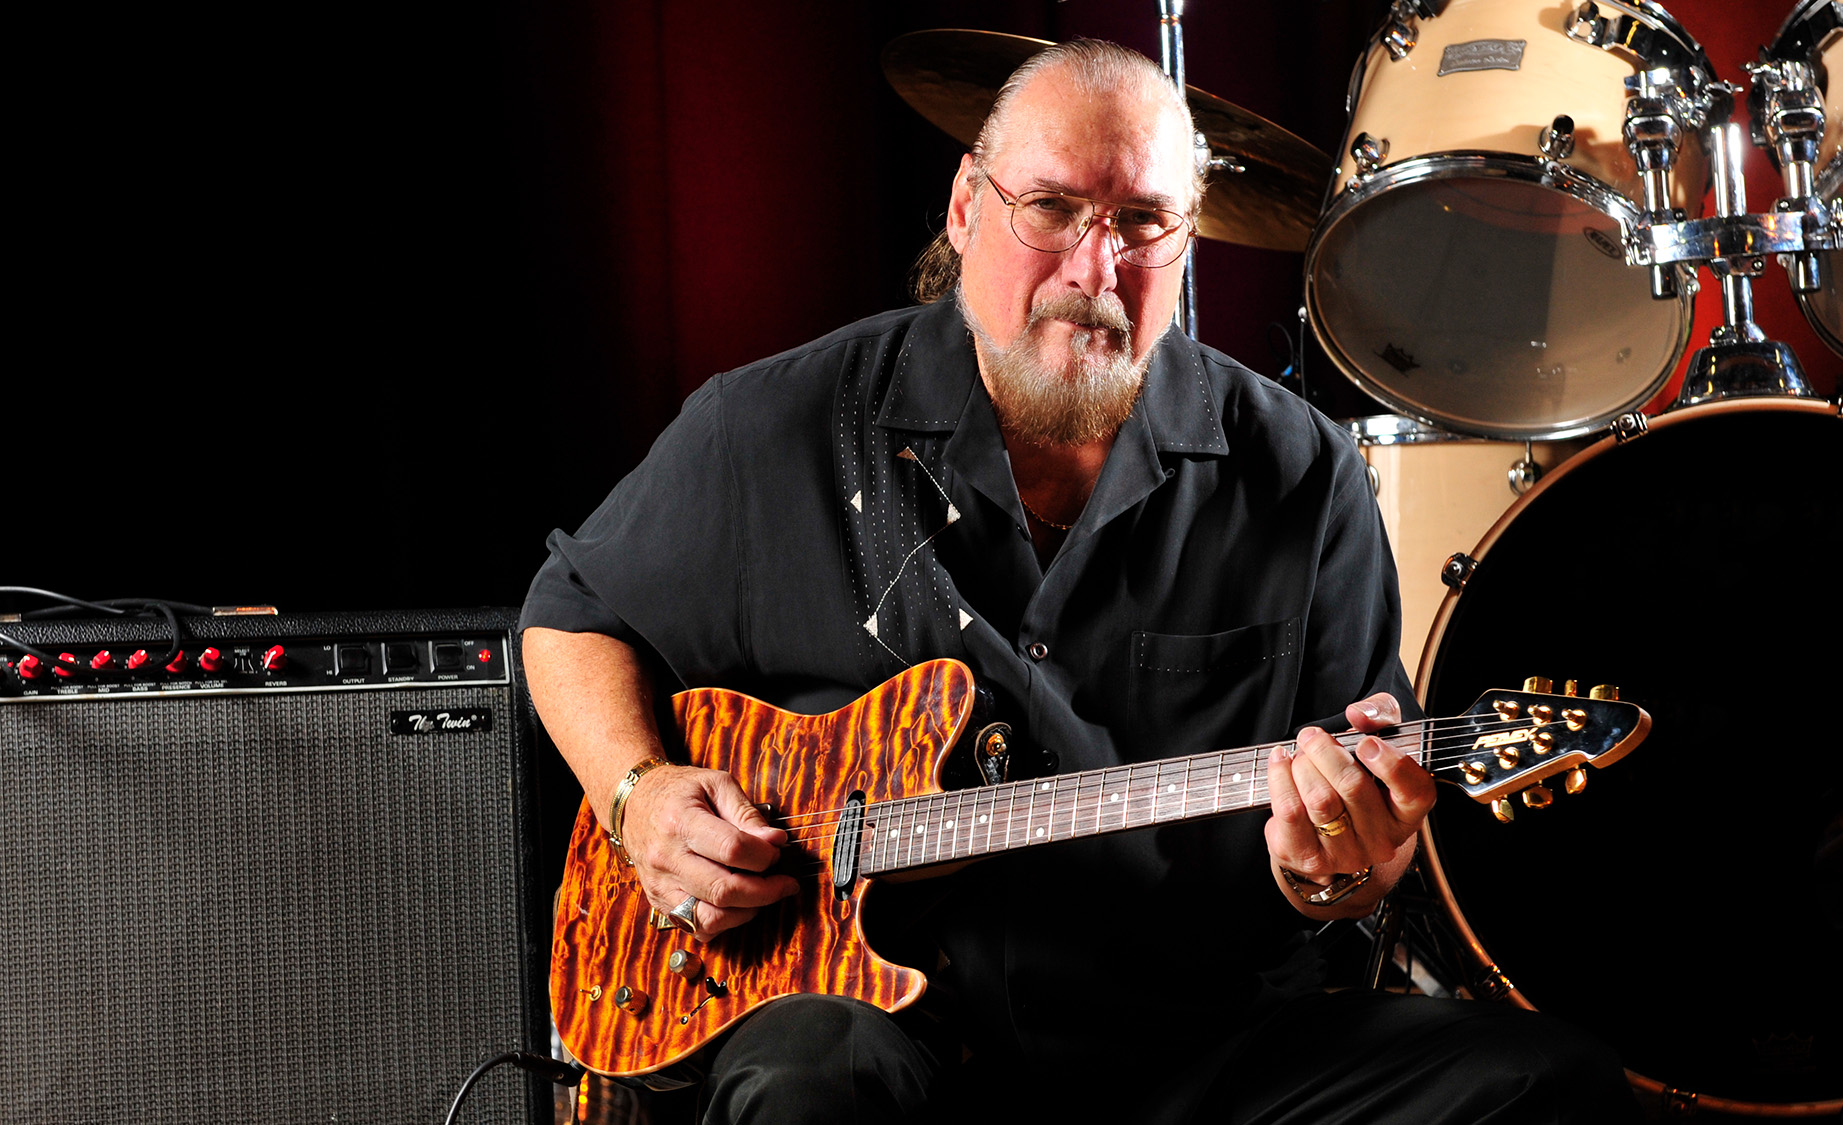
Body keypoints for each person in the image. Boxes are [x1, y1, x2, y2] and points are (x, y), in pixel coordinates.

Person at [522, 38, 1638, 1124]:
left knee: (1546, 1085)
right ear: (967, 207)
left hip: (1191, 1041)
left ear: (1188, 237)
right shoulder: (777, 424)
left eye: (1142, 221)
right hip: (884, 1029)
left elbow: (1355, 846)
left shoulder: (1303, 474)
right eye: (1051, 208)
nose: (1094, 270)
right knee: (811, 1082)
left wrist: (1334, 873)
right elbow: (570, 616)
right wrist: (637, 793)